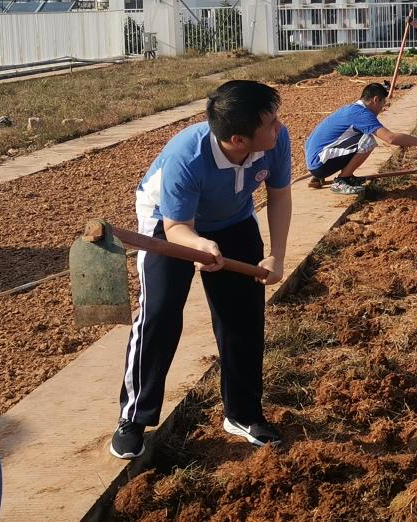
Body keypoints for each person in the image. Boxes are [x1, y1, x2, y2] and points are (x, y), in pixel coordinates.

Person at [111, 80, 292, 460]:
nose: (279, 127)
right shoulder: (187, 156)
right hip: (168, 222)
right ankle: (134, 418)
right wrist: (201, 246)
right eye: (270, 123)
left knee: (242, 315)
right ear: (239, 139)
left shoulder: (275, 142)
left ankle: (242, 413)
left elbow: (279, 196)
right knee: (160, 312)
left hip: (234, 217)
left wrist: (276, 256)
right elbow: (178, 227)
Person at [304, 82, 417, 195]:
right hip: (320, 164)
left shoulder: (351, 108)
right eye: (383, 104)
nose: (382, 109)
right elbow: (390, 138)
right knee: (368, 141)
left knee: (359, 137)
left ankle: (323, 176)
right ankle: (342, 180)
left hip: (315, 162)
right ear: (376, 100)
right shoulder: (362, 114)